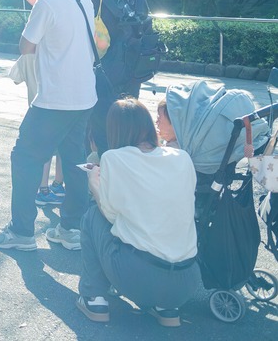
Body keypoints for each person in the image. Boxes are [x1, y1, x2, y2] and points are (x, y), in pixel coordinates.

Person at [0, 0, 95, 251]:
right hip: (84, 96)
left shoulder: (48, 2)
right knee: (75, 161)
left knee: (25, 157)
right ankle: (72, 229)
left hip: (54, 98)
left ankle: (21, 232)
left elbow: (25, 45)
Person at [77, 98, 200, 327]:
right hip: (187, 279)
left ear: (114, 129)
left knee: (92, 216)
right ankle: (166, 308)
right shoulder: (182, 158)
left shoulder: (114, 158)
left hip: (139, 276)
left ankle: (94, 298)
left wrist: (95, 184)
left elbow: (111, 216)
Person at [86, 0, 152, 151]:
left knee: (103, 132)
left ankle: (106, 177)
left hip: (104, 75)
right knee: (129, 129)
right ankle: (128, 173)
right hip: (134, 71)